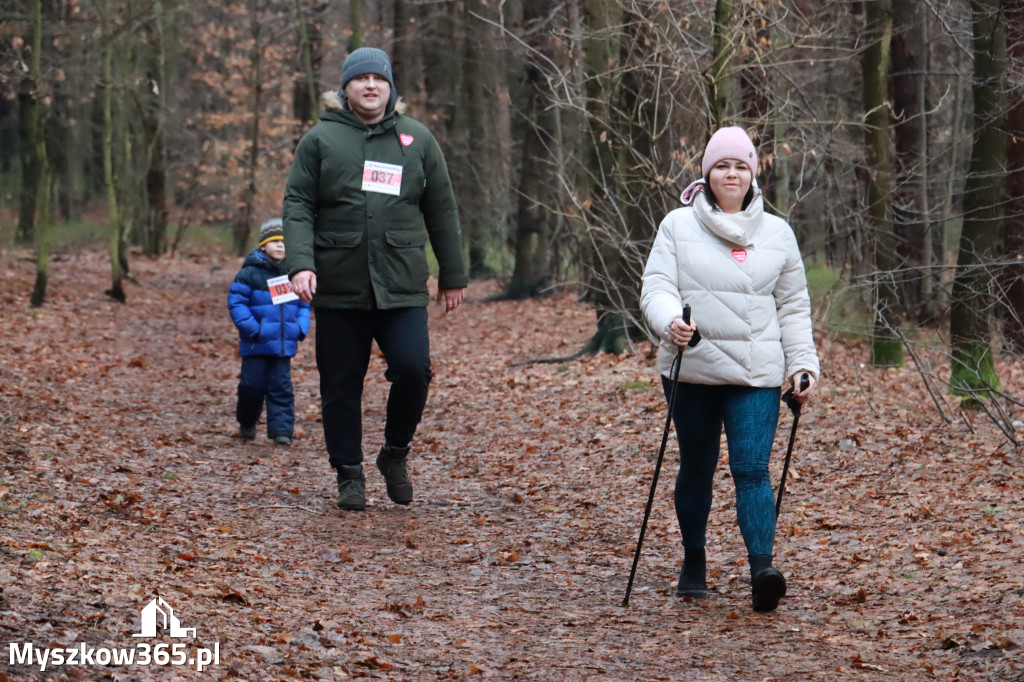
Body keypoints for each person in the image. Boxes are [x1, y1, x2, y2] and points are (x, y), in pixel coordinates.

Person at [640, 127, 820, 612]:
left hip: (757, 375)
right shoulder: (677, 225)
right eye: (722, 165)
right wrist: (670, 322)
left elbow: (794, 307)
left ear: (753, 173)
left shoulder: (778, 233)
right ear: (706, 173)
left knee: (751, 469)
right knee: (697, 464)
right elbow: (655, 287)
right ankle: (693, 561)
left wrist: (803, 364)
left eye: (741, 165)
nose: (732, 173)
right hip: (691, 368)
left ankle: (763, 569)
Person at [283, 47, 467, 512]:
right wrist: (301, 263)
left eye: (378, 79)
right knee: (340, 384)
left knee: (413, 370)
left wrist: (453, 274)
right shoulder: (321, 140)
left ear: (390, 87)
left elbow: (441, 209)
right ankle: (348, 474)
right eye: (360, 78)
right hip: (339, 284)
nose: (370, 86)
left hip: (401, 283)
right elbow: (298, 204)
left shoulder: (417, 139)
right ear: (344, 88)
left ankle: (395, 453)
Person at [228, 218, 311, 445]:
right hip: (256, 343)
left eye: (284, 242)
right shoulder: (250, 273)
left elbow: (304, 304)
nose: (280, 246)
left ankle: (282, 431)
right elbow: (236, 303)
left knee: (281, 388)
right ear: (263, 245)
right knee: (251, 387)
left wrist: (301, 327)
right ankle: (247, 421)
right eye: (274, 241)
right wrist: (255, 329)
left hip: (283, 345)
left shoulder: (295, 273)